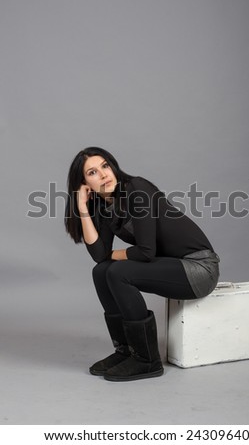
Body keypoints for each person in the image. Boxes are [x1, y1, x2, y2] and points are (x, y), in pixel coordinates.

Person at [64, 147, 220, 382]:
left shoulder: (137, 188)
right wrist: (83, 208)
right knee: (101, 272)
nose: (104, 174)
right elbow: (99, 256)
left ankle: (147, 359)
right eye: (93, 172)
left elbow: (146, 252)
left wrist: (112, 254)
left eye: (105, 166)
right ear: (84, 184)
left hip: (199, 268)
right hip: (171, 264)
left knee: (117, 271)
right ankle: (126, 350)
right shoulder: (104, 205)